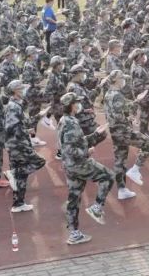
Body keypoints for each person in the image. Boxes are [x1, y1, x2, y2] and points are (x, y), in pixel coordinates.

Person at [58, 92, 113, 245]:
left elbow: (77, 141)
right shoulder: (70, 123)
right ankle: (96, 208)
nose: (79, 104)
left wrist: (95, 135)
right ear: (71, 105)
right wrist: (86, 152)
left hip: (69, 165)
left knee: (74, 199)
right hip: (78, 164)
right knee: (108, 176)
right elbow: (69, 148)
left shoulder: (65, 120)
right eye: (77, 102)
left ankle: (74, 234)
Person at [102, 70, 149, 198]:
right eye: (122, 78)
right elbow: (119, 115)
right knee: (148, 143)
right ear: (116, 80)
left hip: (115, 131)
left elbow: (119, 109)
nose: (124, 81)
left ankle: (122, 190)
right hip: (122, 131)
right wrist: (132, 109)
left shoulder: (108, 93)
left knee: (120, 160)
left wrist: (136, 101)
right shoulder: (117, 95)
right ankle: (135, 169)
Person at [4, 80, 48, 212]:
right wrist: (25, 133)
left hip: (16, 144)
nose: (24, 90)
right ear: (15, 91)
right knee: (39, 161)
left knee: (21, 176)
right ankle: (13, 174)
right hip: (19, 145)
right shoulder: (13, 106)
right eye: (22, 88)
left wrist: (38, 116)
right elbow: (11, 128)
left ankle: (18, 203)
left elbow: (20, 124)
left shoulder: (16, 105)